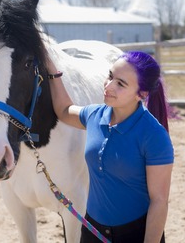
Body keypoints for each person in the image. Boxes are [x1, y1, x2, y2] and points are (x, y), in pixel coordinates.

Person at [47, 50, 174, 243]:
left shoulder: (154, 136)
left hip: (135, 235)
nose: (109, 86)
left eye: (121, 84)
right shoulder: (94, 115)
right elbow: (64, 111)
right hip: (92, 231)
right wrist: (53, 71)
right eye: (110, 76)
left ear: (142, 94)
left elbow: (159, 201)